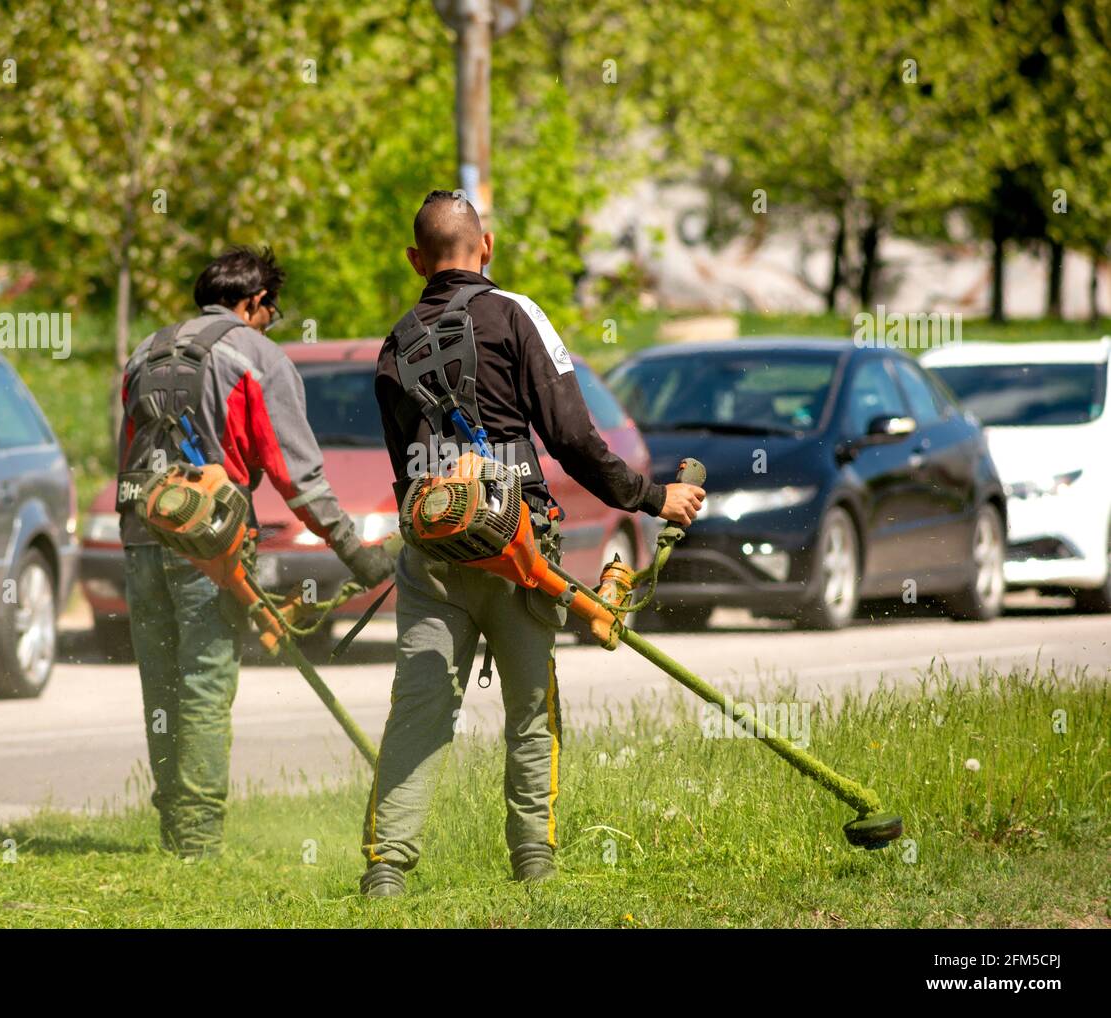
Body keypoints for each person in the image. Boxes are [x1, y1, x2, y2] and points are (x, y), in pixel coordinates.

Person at [359, 192, 705, 895]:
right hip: (521, 552)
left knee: (421, 706)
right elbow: (573, 437)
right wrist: (650, 497)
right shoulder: (517, 313)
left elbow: (404, 472)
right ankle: (534, 863)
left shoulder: (396, 341)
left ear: (414, 260)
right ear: (485, 247)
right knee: (530, 710)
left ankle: (388, 868)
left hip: (434, 556)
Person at [118, 245, 395, 858]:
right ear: (252, 303)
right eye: (271, 310)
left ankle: (174, 833)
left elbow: (130, 453)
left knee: (161, 686)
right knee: (205, 685)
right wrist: (355, 551)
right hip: (208, 549)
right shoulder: (255, 356)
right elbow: (296, 474)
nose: (271, 321)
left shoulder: (145, 352)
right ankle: (196, 844)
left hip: (141, 538)